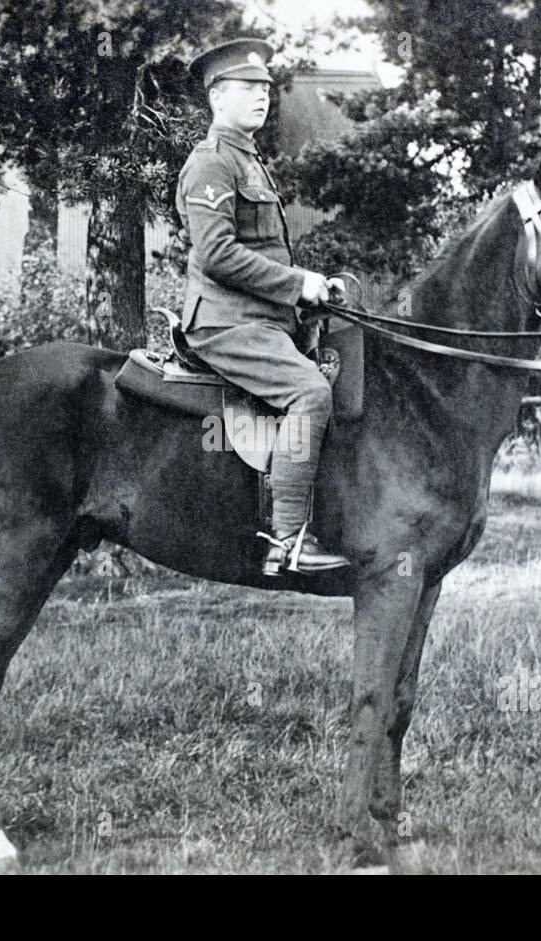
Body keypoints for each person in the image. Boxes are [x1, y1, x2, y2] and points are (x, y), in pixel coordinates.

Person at [176, 38, 351, 577]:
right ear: (216, 98)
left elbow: (264, 252)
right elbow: (219, 256)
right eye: (248, 89)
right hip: (224, 321)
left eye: (266, 89)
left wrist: (313, 295)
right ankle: (289, 540)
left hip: (265, 320)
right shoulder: (210, 164)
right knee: (309, 392)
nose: (262, 97)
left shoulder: (249, 162)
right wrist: (298, 284)